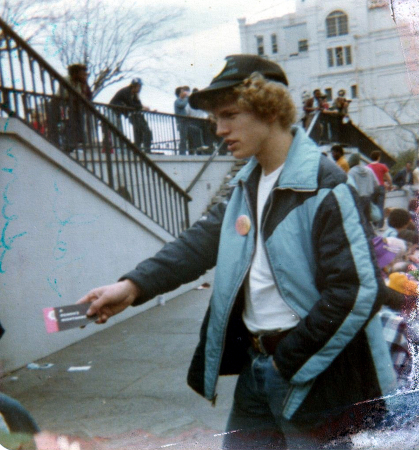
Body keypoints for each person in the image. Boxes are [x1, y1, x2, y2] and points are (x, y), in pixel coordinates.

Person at [77, 54, 394, 450]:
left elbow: (359, 290)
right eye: (215, 120)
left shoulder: (324, 185)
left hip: (311, 375)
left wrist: (288, 359)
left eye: (229, 115)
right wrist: (132, 286)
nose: (219, 129)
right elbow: (201, 242)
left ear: (270, 109)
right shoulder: (247, 182)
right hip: (257, 370)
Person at [110, 78, 153, 153]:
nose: (140, 89)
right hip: (112, 111)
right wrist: (143, 107)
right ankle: (120, 151)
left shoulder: (134, 94)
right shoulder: (126, 91)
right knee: (117, 131)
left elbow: (138, 104)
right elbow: (132, 105)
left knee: (140, 130)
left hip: (120, 113)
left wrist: (142, 106)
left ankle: (140, 149)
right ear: (134, 86)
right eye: (139, 86)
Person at [61, 63, 92, 152]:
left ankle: (77, 143)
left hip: (74, 106)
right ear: (75, 74)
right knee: (70, 124)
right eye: (82, 74)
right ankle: (69, 144)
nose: (85, 76)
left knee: (78, 123)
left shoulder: (80, 83)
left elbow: (87, 96)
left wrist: (84, 85)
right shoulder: (67, 80)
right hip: (63, 104)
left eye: (85, 74)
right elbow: (67, 94)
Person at [174, 86, 208, 155]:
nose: (185, 93)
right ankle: (182, 153)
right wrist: (187, 97)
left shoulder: (184, 101)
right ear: (179, 93)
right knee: (183, 138)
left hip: (186, 122)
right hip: (181, 122)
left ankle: (194, 151)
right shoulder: (178, 101)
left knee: (191, 135)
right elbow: (182, 105)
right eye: (183, 91)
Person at [348, 152, 378, 222]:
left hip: (358, 199)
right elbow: (376, 184)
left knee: (360, 220)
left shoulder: (351, 172)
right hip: (369, 197)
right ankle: (370, 232)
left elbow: (350, 187)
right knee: (368, 219)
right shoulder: (369, 170)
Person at [367, 150, 393, 228]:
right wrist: (390, 185)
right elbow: (389, 178)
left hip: (372, 188)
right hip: (381, 187)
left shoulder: (368, 167)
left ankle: (374, 223)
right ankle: (380, 225)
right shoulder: (382, 166)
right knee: (380, 206)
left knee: (373, 207)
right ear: (378, 157)